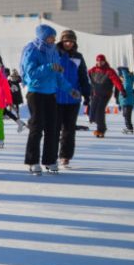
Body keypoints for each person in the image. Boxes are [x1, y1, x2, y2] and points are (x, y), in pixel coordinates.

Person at [20, 25, 80, 175]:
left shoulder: (53, 51)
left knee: (52, 128)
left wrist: (70, 89)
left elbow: (58, 76)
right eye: (50, 37)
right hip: (36, 93)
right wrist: (49, 67)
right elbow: (31, 74)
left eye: (54, 37)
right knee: (37, 127)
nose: (53, 40)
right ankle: (32, 161)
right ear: (42, 37)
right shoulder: (32, 50)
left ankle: (50, 160)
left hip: (51, 93)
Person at [55, 29, 91, 168]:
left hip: (73, 99)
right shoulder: (55, 54)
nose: (68, 43)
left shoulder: (78, 57)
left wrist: (87, 94)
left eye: (71, 41)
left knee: (69, 130)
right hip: (56, 98)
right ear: (61, 41)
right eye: (66, 41)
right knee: (54, 128)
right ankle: (52, 156)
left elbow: (83, 77)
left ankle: (65, 156)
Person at [87, 54, 126, 138]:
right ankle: (98, 124)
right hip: (96, 93)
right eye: (98, 61)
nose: (100, 63)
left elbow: (116, 81)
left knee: (99, 111)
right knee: (93, 112)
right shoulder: (92, 70)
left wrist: (122, 90)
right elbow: (84, 76)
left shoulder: (109, 71)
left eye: (101, 61)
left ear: (104, 61)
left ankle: (101, 129)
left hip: (105, 94)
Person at [116, 66, 134, 134]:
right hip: (125, 101)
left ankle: (129, 128)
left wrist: (124, 72)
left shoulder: (127, 81)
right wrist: (119, 103)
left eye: (120, 76)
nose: (120, 78)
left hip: (127, 101)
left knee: (127, 116)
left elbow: (127, 85)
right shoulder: (125, 81)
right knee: (125, 115)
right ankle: (128, 127)